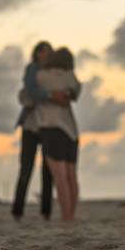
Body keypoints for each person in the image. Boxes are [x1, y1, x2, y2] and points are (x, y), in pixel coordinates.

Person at [12, 42, 70, 221]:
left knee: (49, 170)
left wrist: (50, 95)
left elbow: (64, 93)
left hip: (49, 126)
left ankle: (46, 212)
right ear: (37, 53)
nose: (48, 56)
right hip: (31, 125)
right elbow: (31, 90)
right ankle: (18, 212)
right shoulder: (32, 68)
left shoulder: (55, 72)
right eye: (46, 53)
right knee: (26, 168)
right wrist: (51, 95)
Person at [35, 47, 81, 221]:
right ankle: (71, 216)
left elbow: (31, 94)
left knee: (59, 177)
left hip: (51, 127)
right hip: (71, 131)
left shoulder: (41, 76)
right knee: (71, 177)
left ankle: (65, 217)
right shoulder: (70, 75)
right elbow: (75, 92)